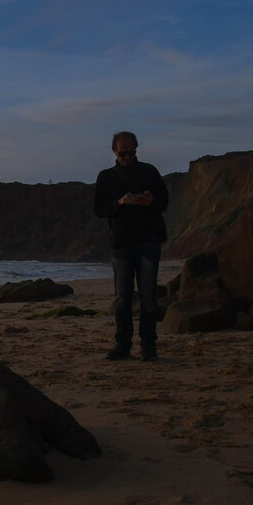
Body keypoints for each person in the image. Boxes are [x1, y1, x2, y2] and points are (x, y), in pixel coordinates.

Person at [94, 131, 168, 361]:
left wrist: (151, 200)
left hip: (148, 240)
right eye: (123, 153)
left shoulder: (149, 171)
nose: (128, 157)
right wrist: (120, 203)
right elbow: (99, 209)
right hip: (121, 244)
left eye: (132, 152)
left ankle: (148, 345)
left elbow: (164, 200)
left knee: (147, 298)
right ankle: (123, 345)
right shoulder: (106, 177)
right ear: (114, 152)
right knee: (123, 299)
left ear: (136, 149)